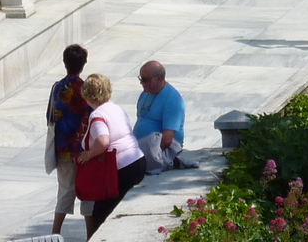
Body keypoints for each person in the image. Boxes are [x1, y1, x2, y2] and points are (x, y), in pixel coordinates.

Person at [77, 73, 147, 237]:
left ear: (88, 95)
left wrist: (88, 155)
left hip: (122, 168)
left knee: (100, 215)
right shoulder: (116, 108)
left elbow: (103, 141)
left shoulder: (97, 115)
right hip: (138, 160)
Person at [46, 44, 91, 237]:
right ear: (83, 65)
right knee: (88, 192)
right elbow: (90, 115)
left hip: (63, 148)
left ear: (64, 63)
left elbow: (49, 115)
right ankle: (91, 234)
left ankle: (55, 232)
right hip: (83, 149)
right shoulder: (85, 89)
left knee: (65, 190)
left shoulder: (57, 87)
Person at [135, 60, 197, 174]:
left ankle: (169, 162)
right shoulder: (146, 93)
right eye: (141, 79)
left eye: (145, 80)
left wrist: (151, 154)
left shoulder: (172, 99)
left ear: (159, 78)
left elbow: (167, 140)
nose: (142, 83)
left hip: (161, 148)